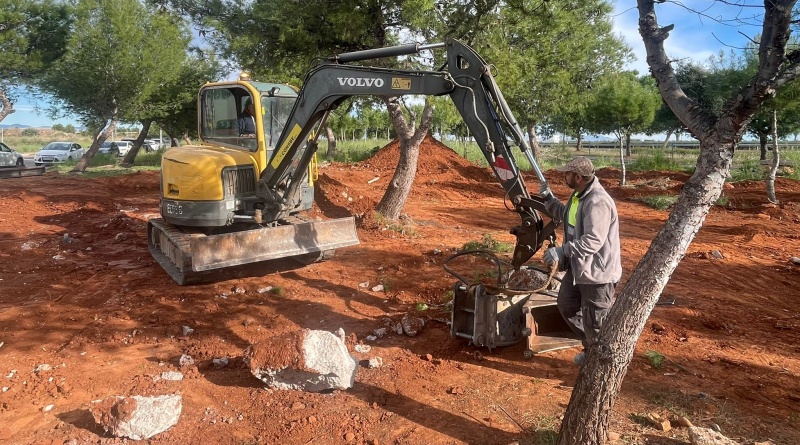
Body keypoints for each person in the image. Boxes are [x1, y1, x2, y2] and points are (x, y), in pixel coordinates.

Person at [538, 156, 621, 366]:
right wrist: (549, 199)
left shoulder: (597, 202)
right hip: (579, 267)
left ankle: (602, 360)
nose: (563, 176)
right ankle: (594, 347)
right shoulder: (578, 196)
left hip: (597, 273)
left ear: (578, 176)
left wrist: (561, 251)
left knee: (596, 321)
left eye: (567, 173)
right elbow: (566, 216)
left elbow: (593, 241)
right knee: (567, 305)